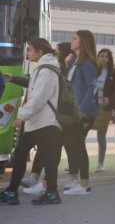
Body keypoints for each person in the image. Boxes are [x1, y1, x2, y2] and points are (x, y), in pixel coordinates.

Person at [0, 38, 63, 206]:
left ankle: (51, 194)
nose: (27, 53)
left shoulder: (47, 71)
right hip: (39, 122)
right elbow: (33, 87)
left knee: (46, 158)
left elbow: (38, 97)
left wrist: (21, 116)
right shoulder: (42, 69)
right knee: (22, 154)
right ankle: (13, 191)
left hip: (45, 122)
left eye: (30, 50)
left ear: (40, 52)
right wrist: (13, 77)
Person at [62, 30, 99, 195]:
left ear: (83, 42)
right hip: (72, 111)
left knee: (78, 146)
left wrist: (82, 109)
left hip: (83, 112)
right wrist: (66, 65)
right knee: (72, 144)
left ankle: (84, 185)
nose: (72, 40)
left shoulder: (88, 63)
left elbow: (93, 86)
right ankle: (75, 180)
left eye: (75, 38)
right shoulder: (76, 61)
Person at [93, 48, 115, 172]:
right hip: (91, 106)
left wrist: (111, 101)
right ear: (98, 57)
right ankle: (76, 161)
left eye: (106, 56)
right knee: (81, 133)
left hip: (104, 108)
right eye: (101, 56)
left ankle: (100, 163)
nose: (103, 58)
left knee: (101, 135)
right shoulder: (93, 71)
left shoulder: (114, 73)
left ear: (110, 59)